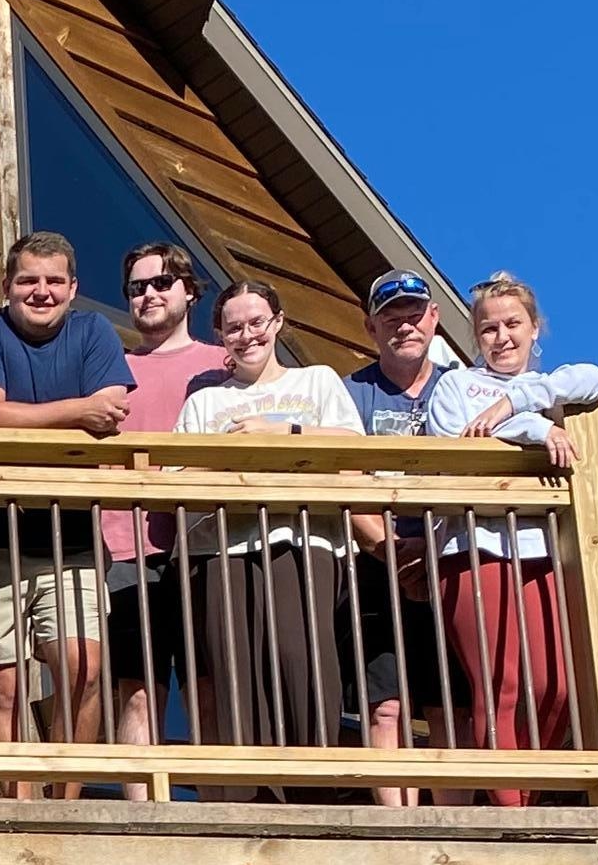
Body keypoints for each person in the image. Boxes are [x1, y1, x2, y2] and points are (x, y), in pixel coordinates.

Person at [420, 273, 598, 800]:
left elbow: (595, 378)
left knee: (558, 686)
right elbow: (466, 442)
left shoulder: (553, 387)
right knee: (500, 684)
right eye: (489, 328)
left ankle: (527, 795)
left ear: (535, 328)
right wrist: (537, 428)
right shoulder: (456, 386)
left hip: (545, 550)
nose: (502, 337)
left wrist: (513, 404)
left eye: (513, 324)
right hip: (472, 547)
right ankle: (512, 810)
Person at [174, 280, 366, 762]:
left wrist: (283, 433)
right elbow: (175, 479)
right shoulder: (204, 402)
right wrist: (231, 459)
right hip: (222, 547)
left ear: (278, 322)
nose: (247, 335)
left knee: (299, 656)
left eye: (257, 322)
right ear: (220, 335)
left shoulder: (316, 381)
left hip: (306, 538)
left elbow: (353, 447)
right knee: (235, 666)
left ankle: (314, 776)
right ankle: (252, 787)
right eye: (234, 327)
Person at [0, 230, 132, 748]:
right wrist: (77, 410)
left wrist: (27, 419)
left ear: (73, 288)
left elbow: (111, 410)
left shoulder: (93, 330)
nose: (41, 292)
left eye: (54, 281)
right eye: (28, 280)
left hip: (73, 532)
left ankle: (67, 792)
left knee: (83, 670)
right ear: (6, 286)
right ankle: (18, 797)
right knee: (4, 688)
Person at [101, 241, 233, 750]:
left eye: (161, 283)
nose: (148, 295)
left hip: (206, 547)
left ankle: (219, 795)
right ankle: (141, 798)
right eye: (137, 288)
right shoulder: (110, 370)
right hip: (124, 548)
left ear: (190, 292)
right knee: (137, 690)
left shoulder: (223, 364)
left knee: (210, 689)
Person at [344, 270, 462, 785]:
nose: (404, 326)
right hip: (375, 563)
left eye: (414, 315)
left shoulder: (461, 387)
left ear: (434, 318)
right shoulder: (352, 392)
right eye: (391, 318)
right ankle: (396, 818)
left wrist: (433, 549)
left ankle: (452, 816)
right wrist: (386, 547)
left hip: (450, 559)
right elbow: (342, 480)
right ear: (371, 327)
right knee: (385, 705)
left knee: (450, 704)